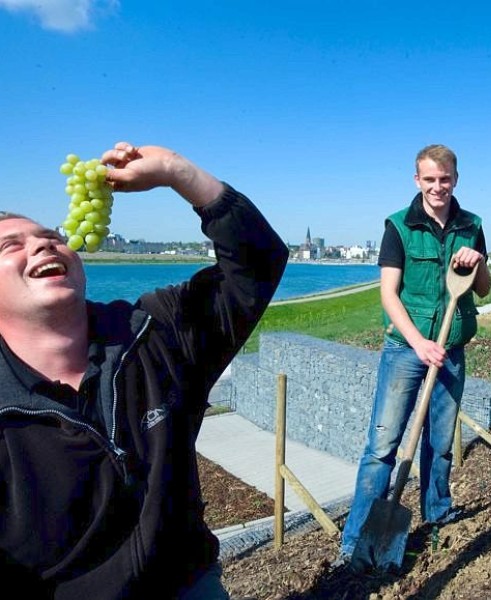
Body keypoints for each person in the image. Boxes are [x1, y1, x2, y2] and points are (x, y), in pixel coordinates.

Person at [0, 142, 289, 598]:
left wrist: (177, 172)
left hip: (188, 585)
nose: (41, 243)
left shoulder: (156, 331)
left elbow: (257, 264)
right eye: (10, 245)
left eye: (51, 237)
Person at [339, 144, 491, 568]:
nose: (437, 187)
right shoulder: (399, 226)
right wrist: (418, 342)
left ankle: (438, 514)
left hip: (451, 351)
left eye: (445, 179)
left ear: (455, 179)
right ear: (417, 180)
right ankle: (354, 543)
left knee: (440, 444)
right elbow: (389, 294)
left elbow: (482, 289)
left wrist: (476, 262)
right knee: (382, 448)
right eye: (430, 179)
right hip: (406, 351)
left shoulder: (472, 225)